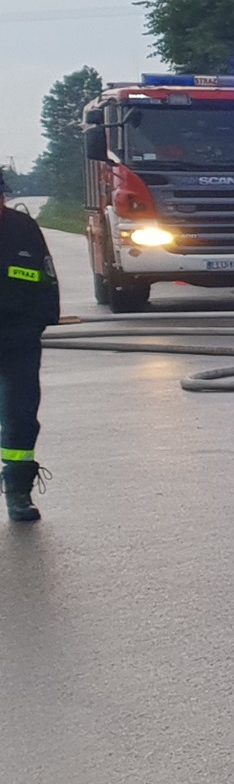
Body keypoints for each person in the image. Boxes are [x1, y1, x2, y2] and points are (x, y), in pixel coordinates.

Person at [0, 170, 58, 523]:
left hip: (18, 339)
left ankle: (18, 492)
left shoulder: (23, 229)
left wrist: (37, 325)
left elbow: (45, 280)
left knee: (20, 418)